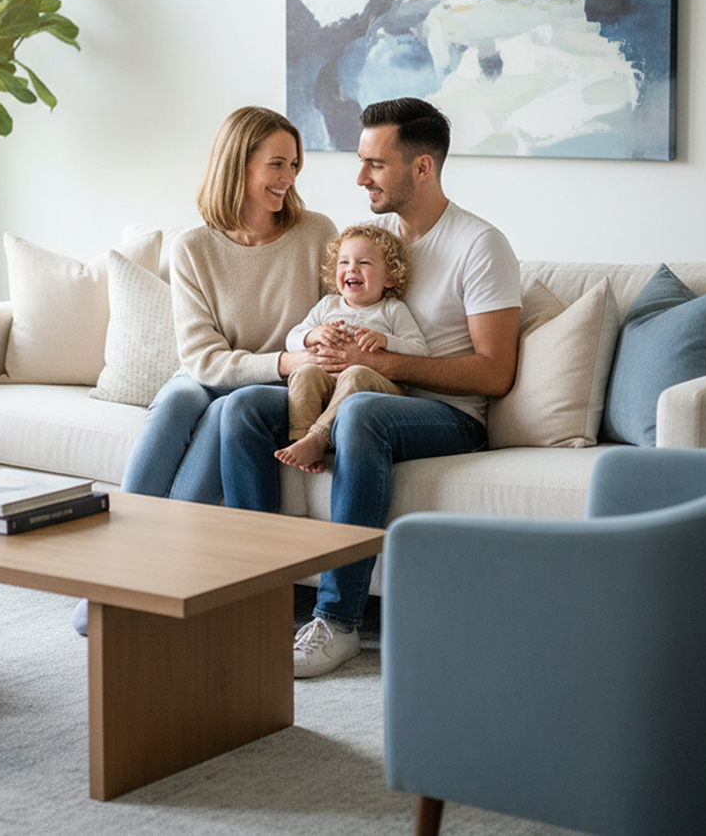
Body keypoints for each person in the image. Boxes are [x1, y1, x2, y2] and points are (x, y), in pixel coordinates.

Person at [219, 97, 522, 677]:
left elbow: (494, 372)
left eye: (375, 165)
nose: (360, 178)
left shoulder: (480, 246)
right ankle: (254, 596)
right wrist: (318, 349)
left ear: (423, 167)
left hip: (444, 413)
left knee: (362, 415)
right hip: (346, 389)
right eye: (362, 162)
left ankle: (338, 621)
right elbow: (328, 314)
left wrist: (386, 361)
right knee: (242, 410)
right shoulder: (371, 240)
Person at [72, 105, 336, 636]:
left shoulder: (316, 234)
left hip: (273, 387)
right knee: (178, 399)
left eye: (293, 165)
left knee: (223, 412)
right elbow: (202, 360)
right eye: (277, 165)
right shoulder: (192, 247)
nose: (288, 178)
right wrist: (285, 357)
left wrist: (296, 361)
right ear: (239, 165)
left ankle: (160, 576)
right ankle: (113, 568)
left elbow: (333, 320)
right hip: (216, 373)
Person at [275, 225, 427, 474]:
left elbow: (420, 351)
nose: (351, 269)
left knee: (356, 373)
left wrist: (386, 341)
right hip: (330, 384)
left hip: (377, 387)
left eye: (364, 262)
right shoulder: (327, 306)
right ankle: (303, 441)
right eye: (343, 262)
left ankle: (318, 438)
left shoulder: (391, 309)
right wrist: (313, 334)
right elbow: (292, 338)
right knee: (304, 374)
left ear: (390, 277)